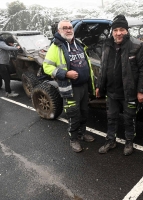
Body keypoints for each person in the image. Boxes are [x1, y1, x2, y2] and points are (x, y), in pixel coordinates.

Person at [96, 15, 143, 156]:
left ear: (127, 30)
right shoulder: (107, 45)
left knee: (129, 118)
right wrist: (100, 85)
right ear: (112, 32)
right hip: (111, 92)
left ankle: (129, 141)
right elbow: (103, 67)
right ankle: (110, 140)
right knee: (111, 117)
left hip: (129, 92)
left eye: (122, 29)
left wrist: (141, 90)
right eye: (115, 30)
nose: (118, 33)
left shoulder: (137, 46)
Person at [43, 20, 95, 153]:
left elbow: (86, 63)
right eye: (64, 28)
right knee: (73, 114)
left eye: (70, 27)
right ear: (59, 31)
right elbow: (47, 67)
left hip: (83, 86)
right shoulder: (56, 47)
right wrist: (65, 74)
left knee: (84, 112)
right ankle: (73, 139)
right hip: (71, 88)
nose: (68, 30)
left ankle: (82, 133)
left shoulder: (78, 44)